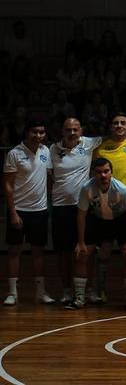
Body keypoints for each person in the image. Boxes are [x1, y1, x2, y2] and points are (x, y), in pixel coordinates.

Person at [66, 158, 126, 310]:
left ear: (111, 173)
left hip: (120, 221)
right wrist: (81, 242)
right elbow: (81, 215)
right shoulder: (87, 188)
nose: (103, 175)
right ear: (93, 173)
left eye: (106, 171)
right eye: (99, 172)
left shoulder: (122, 190)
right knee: (82, 254)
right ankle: (80, 298)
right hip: (97, 220)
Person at [48, 118, 104, 304]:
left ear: (81, 131)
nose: (72, 133)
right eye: (68, 129)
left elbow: (115, 136)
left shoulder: (89, 143)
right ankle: (66, 291)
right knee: (64, 252)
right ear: (62, 131)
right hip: (60, 207)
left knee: (87, 251)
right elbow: (49, 177)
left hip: (85, 207)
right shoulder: (52, 150)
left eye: (75, 129)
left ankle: (88, 290)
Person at [3, 120, 53, 306]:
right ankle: (12, 293)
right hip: (19, 210)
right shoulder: (14, 154)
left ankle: (41, 292)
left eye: (41, 132)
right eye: (34, 132)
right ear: (26, 133)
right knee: (14, 251)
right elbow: (7, 185)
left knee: (38, 252)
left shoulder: (46, 151)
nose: (38, 136)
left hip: (39, 210)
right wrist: (13, 212)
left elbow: (47, 178)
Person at [94, 112, 126, 191]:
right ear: (111, 127)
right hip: (106, 195)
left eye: (123, 123)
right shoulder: (99, 148)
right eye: (116, 123)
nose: (119, 126)